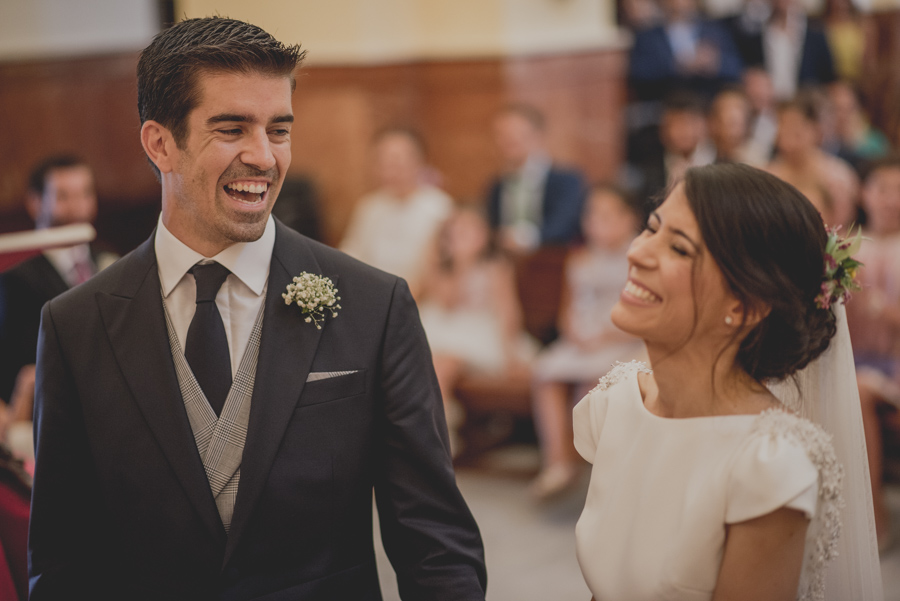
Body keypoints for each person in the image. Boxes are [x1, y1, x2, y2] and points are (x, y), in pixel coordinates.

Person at [28, 17, 486, 601]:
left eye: (279, 129)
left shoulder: (375, 305)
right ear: (159, 143)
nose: (264, 157)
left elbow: (436, 542)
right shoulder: (75, 326)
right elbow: (63, 560)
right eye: (231, 129)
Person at [573, 163, 882, 599]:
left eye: (679, 248)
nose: (637, 253)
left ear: (744, 305)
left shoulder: (768, 463)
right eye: (651, 228)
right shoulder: (618, 403)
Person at [529, 185, 646, 499]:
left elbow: (648, 316)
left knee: (591, 383)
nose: (596, 222)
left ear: (628, 219)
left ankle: (592, 469)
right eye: (591, 215)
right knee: (547, 376)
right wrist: (573, 333)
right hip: (585, 340)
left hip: (624, 339)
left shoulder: (639, 257)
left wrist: (608, 335)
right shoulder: (580, 258)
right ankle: (557, 462)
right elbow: (567, 309)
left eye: (606, 215)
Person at [0, 155, 115, 424]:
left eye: (85, 194)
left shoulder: (111, 261)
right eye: (63, 196)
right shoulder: (15, 278)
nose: (78, 207)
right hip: (48, 413)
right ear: (36, 202)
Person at [418, 208, 535, 450]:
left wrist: (510, 353)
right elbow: (447, 302)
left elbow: (507, 311)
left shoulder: (496, 266)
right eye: (458, 232)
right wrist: (460, 264)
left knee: (445, 365)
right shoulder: (442, 266)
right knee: (434, 365)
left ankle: (437, 432)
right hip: (447, 325)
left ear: (485, 236)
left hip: (482, 331)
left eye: (471, 231)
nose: (464, 238)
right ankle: (442, 421)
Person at [845, 155, 900, 551]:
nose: (891, 199)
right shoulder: (846, 248)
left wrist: (886, 310)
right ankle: (865, 521)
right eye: (883, 189)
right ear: (865, 193)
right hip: (855, 361)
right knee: (854, 387)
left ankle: (876, 525)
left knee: (861, 390)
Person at [340, 127, 453, 297]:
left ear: (419, 161)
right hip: (372, 294)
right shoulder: (369, 206)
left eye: (397, 162)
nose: (390, 171)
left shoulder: (440, 208)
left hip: (420, 299)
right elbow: (351, 254)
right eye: (382, 163)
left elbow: (444, 269)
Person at [485, 104, 587, 254]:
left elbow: (565, 223)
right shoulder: (496, 185)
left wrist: (525, 238)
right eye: (501, 134)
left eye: (515, 133)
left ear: (537, 135)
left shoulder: (567, 180)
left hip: (554, 260)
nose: (507, 140)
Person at [766, 92, 858, 228]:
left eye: (795, 124)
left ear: (815, 128)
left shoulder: (838, 176)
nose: (786, 130)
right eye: (781, 123)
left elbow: (841, 232)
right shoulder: (765, 175)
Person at [627, 0, 743, 103]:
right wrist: (677, 66)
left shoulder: (715, 31)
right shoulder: (648, 36)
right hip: (665, 108)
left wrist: (715, 63)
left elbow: (737, 68)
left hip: (708, 107)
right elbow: (637, 73)